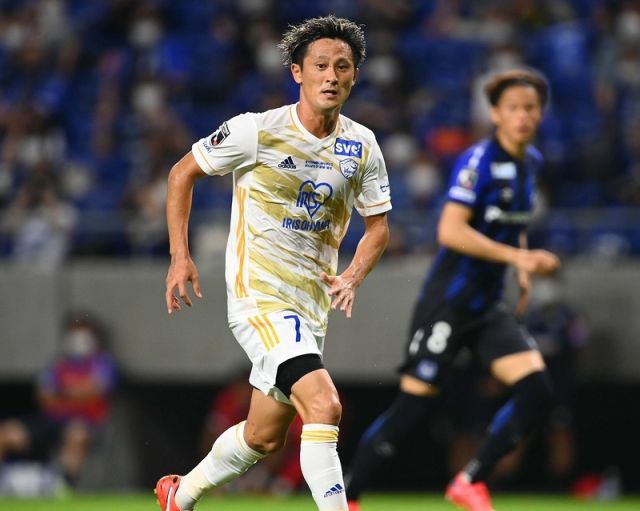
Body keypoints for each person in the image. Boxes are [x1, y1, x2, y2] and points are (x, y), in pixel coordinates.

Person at [155, 15, 391, 511]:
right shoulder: (256, 130)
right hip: (260, 297)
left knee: (263, 436)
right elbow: (181, 174)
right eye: (320, 65)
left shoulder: (362, 145)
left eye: (342, 66)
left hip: (310, 306)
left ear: (354, 75)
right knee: (324, 404)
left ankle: (180, 494)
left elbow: (378, 227)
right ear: (297, 73)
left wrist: (352, 275)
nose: (331, 76)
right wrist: (180, 256)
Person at [345, 68, 560, 511]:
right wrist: (518, 258)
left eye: (531, 108)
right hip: (448, 302)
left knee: (537, 388)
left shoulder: (530, 163)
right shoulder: (478, 161)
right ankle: (347, 497)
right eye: (513, 108)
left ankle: (470, 481)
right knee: (411, 407)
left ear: (540, 114)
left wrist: (521, 267)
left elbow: (514, 222)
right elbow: (450, 231)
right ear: (496, 114)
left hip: (486, 307)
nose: (523, 116)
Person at [0, 311, 117, 487]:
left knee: (77, 434)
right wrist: (79, 392)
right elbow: (44, 396)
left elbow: (97, 391)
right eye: (74, 331)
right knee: (6, 433)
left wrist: (63, 392)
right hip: (50, 422)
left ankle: (64, 486)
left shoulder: (103, 363)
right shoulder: (59, 364)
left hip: (85, 422)